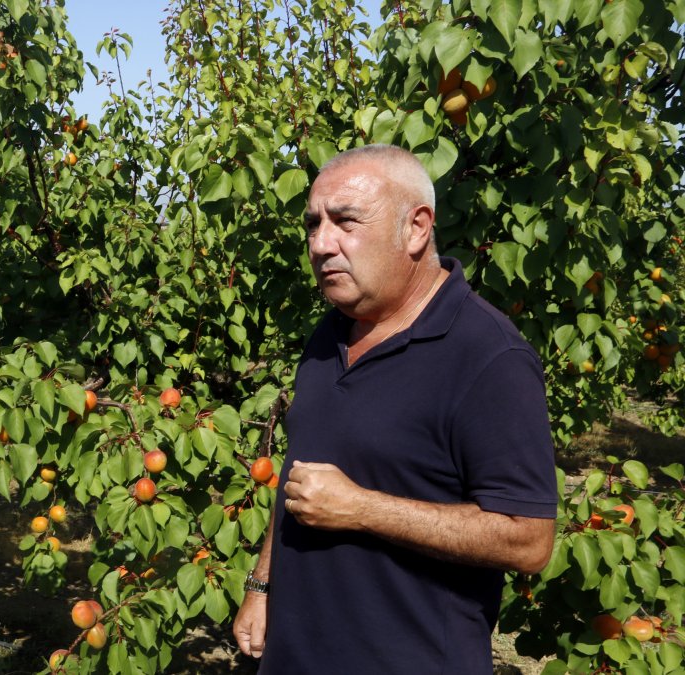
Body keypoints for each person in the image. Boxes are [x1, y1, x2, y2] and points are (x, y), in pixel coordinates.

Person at [232, 144, 558, 673]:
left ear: (416, 228)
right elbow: (300, 468)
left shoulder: (488, 355)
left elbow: (528, 538)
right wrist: (263, 583)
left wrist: (362, 508)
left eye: (345, 222)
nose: (320, 244)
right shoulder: (329, 334)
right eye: (313, 224)